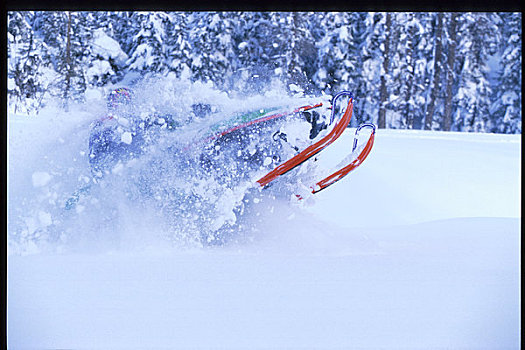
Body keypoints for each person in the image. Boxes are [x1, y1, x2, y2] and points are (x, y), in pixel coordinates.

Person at [88, 87, 146, 179]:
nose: (121, 107)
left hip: (135, 163)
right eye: (117, 103)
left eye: (124, 102)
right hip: (114, 167)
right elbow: (94, 152)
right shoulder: (104, 123)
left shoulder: (139, 119)